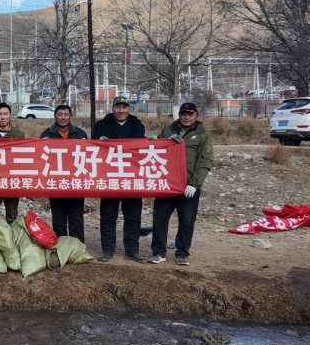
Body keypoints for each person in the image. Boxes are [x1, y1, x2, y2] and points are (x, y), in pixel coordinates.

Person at [149, 102, 213, 266]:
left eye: (190, 114)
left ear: (196, 115)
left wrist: (195, 184)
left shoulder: (202, 135)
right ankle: (158, 252)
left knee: (186, 222)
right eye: (184, 114)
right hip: (167, 185)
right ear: (179, 115)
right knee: (159, 220)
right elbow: (155, 151)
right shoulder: (168, 130)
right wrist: (157, 141)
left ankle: (182, 253)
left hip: (188, 187)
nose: (186, 117)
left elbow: (205, 162)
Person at [91, 96, 147, 262]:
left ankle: (132, 250)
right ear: (113, 108)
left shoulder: (137, 126)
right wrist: (98, 142)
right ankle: (108, 250)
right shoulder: (101, 126)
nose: (121, 111)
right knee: (108, 215)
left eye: (124, 107)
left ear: (128, 109)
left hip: (132, 177)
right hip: (110, 177)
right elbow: (92, 149)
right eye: (118, 107)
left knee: (133, 216)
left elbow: (142, 150)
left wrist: (151, 143)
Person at [40, 104, 88, 242]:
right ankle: (61, 247)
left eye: (66, 115)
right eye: (60, 115)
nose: (63, 117)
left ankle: (77, 247)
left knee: (76, 218)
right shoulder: (46, 134)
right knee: (58, 218)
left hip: (75, 182)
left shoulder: (80, 134)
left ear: (70, 116)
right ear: (55, 116)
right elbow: (41, 157)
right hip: (56, 183)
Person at [0, 102, 25, 223]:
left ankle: (10, 235)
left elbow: (23, 158)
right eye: (0, 114)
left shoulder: (18, 135)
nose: (3, 117)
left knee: (12, 215)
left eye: (5, 114)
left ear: (10, 116)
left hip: (12, 181)